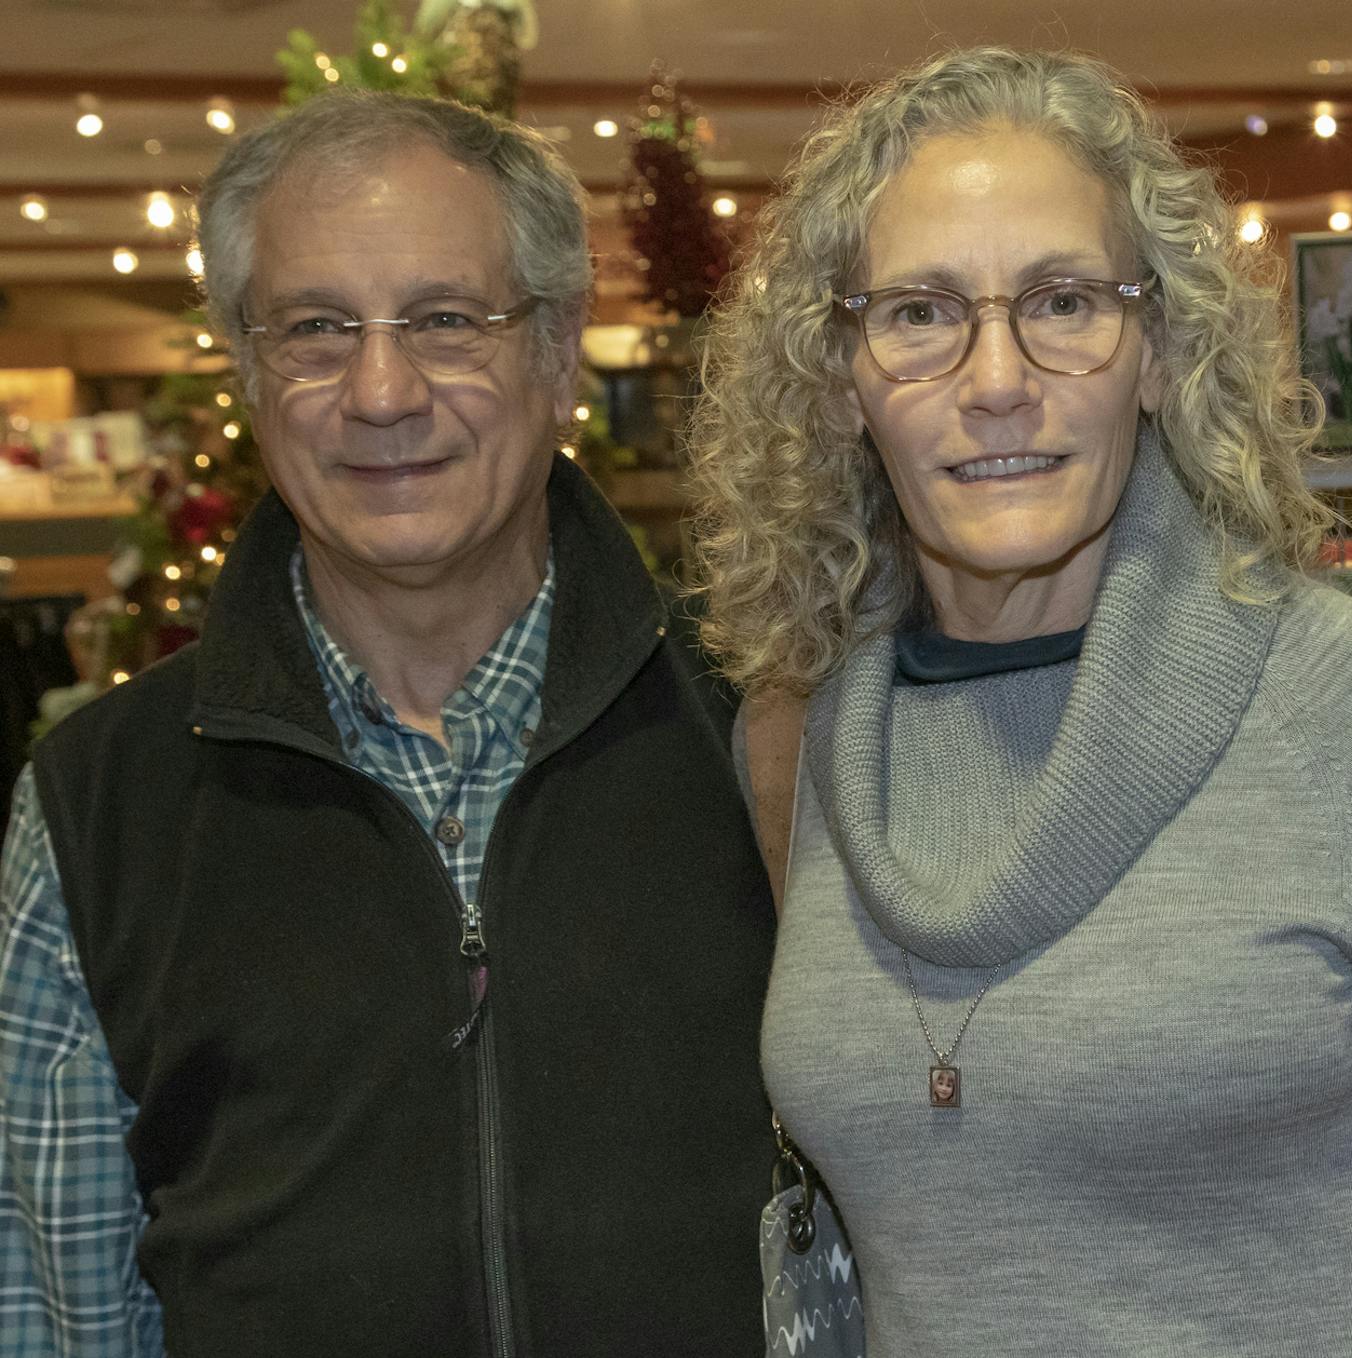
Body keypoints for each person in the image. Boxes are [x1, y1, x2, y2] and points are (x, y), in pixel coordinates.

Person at [688, 45, 1352, 1357]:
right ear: (842, 377)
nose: (996, 376)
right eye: (920, 312)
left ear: (1157, 350)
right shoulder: (816, 737)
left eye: (1063, 301)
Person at [0, 91, 775, 1357]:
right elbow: (56, 1307)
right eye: (314, 329)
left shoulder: (768, 727)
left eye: (445, 319)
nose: (380, 389)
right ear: (248, 366)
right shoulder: (98, 805)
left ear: (559, 340)